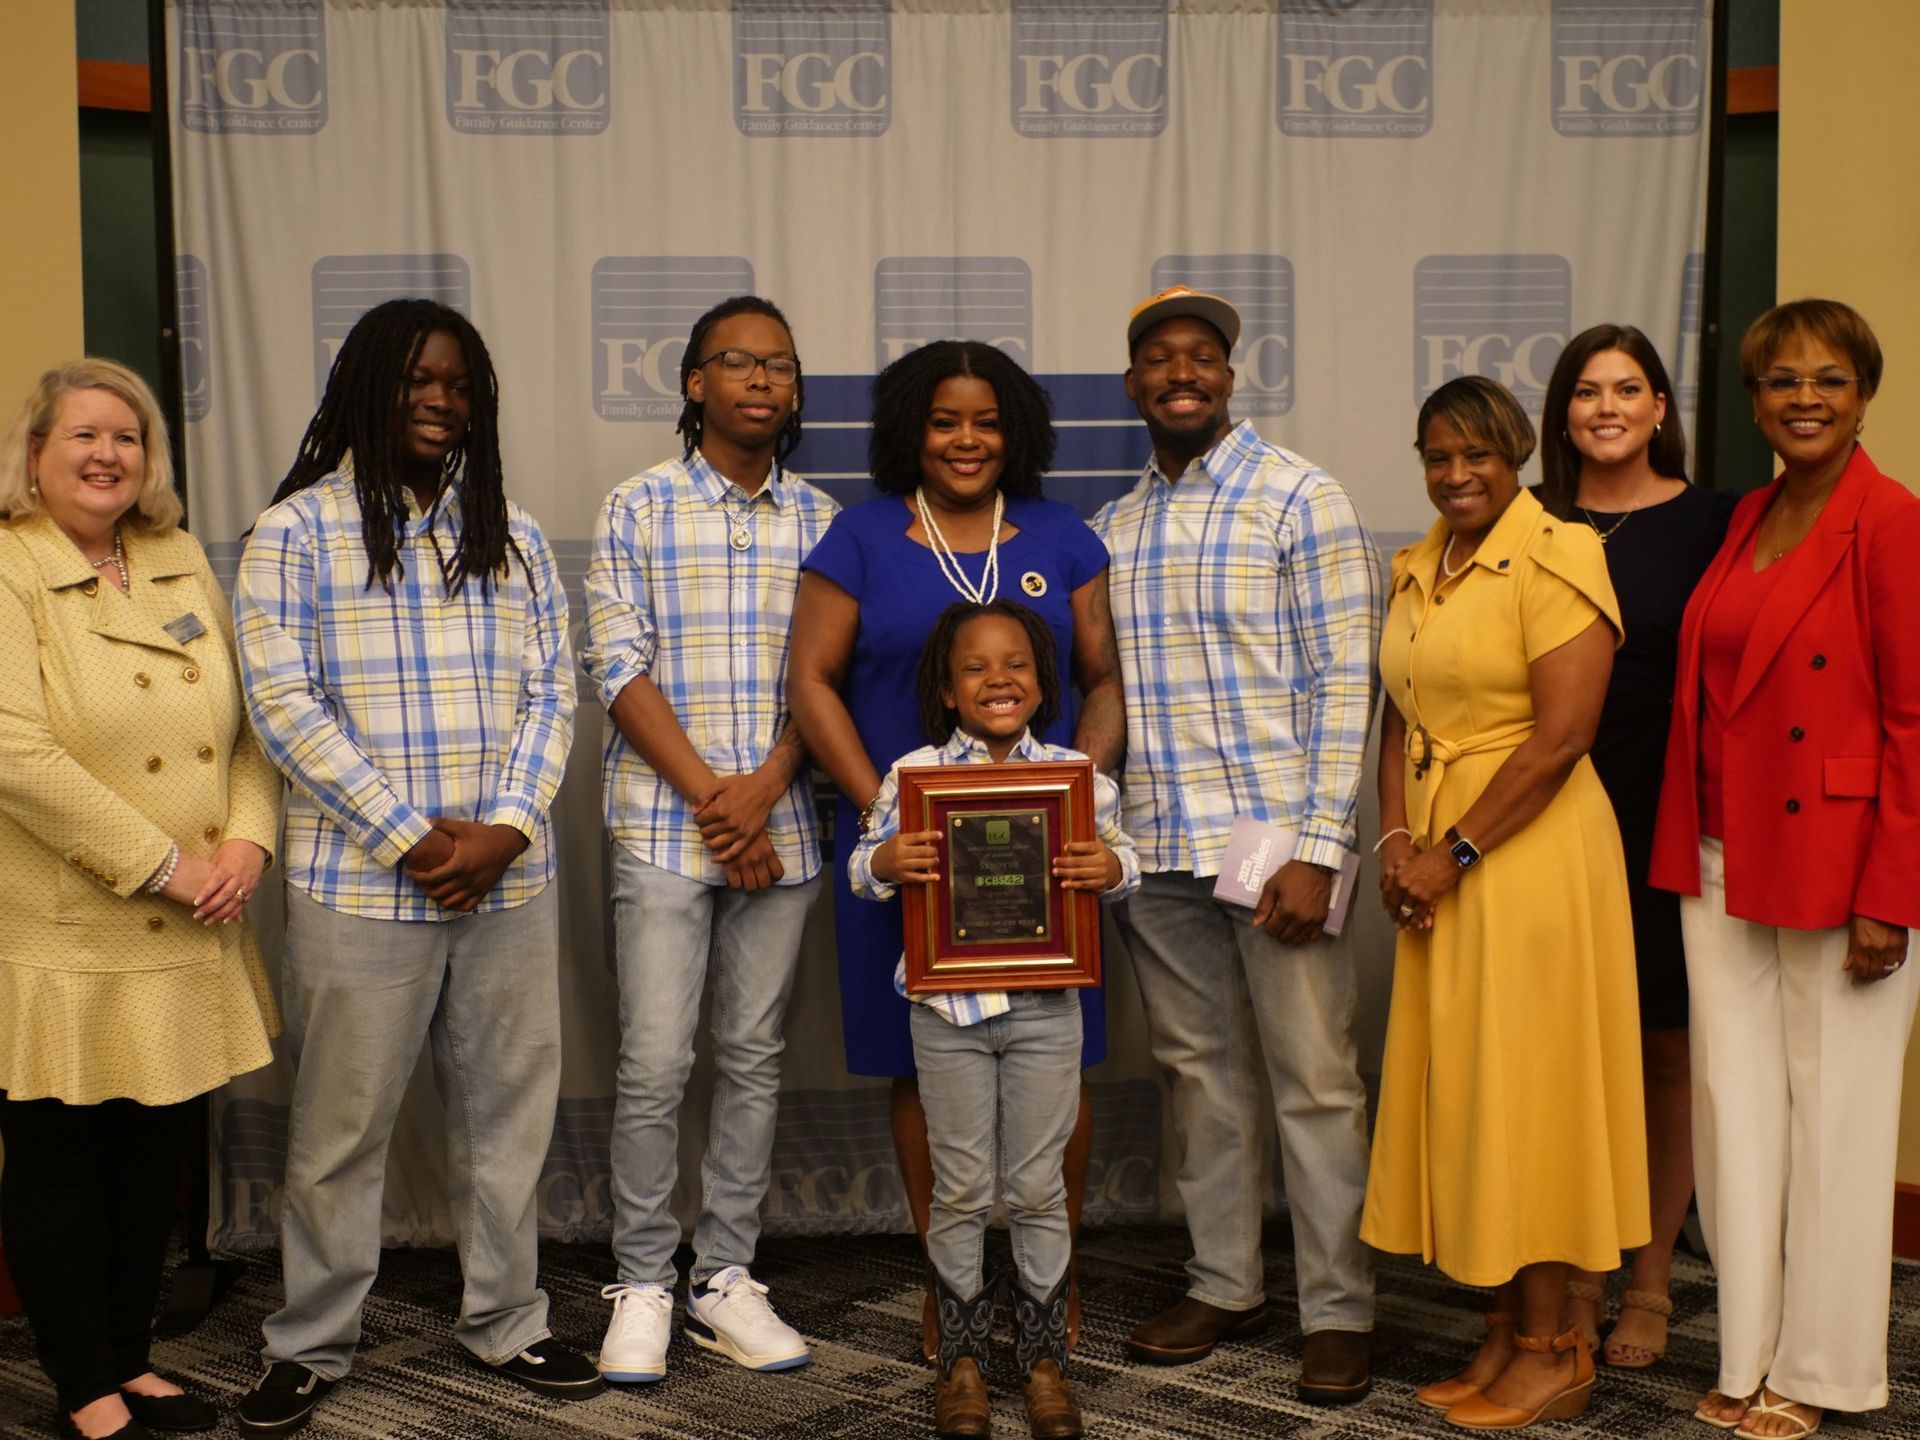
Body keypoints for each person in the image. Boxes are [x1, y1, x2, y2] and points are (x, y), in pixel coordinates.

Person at [232, 299, 592, 1436]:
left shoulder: (516, 536)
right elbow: (284, 710)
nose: (440, 401)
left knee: (506, 1122)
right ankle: (312, 1341)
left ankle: (508, 1321)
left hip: (508, 884)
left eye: (460, 384)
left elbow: (554, 694)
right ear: (367, 388)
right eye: (416, 380)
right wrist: (414, 840)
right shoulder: (294, 533)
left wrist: (506, 829)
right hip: (359, 889)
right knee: (340, 1134)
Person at [788, 340, 1123, 1355]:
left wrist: (1080, 801)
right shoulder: (859, 538)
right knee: (921, 1072)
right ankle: (954, 1287)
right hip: (907, 861)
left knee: (1057, 1070)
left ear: (1013, 430)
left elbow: (1103, 680)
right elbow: (812, 683)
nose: (967, 439)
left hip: (1043, 860)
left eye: (985, 420)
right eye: (944, 420)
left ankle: (1046, 1291)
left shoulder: (1065, 538)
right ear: (910, 433)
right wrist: (892, 814)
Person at [1093, 287, 1379, 1402]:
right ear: (1134, 385)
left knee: (1312, 1077)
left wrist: (1316, 846)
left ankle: (1340, 1307)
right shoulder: (1114, 527)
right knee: (1198, 1075)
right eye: (1160, 358)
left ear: (1229, 374)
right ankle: (1225, 1280)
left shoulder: (1296, 497)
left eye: (1202, 357)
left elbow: (1342, 681)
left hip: (1266, 837)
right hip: (1157, 842)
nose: (1182, 373)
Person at [1649, 299, 1920, 1439]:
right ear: (1753, 400)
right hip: (1721, 849)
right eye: (1780, 381)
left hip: (1842, 858)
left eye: (1828, 379)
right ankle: (1750, 1348)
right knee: (1735, 1109)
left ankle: (1824, 1369)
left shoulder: (1895, 522)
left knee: (1842, 1123)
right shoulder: (1747, 511)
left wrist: (1891, 895)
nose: (1803, 398)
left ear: (1865, 394)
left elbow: (1916, 717)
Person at [0, 359, 279, 1440]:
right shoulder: (13, 565)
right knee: (65, 1164)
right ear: (35, 454)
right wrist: (166, 863)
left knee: (150, 1156)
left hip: (196, 915)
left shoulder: (171, 558)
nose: (107, 453)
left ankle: (130, 1357)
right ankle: (81, 1384)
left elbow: (245, 731)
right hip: (66, 926)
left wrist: (248, 842)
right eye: (83, 436)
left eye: (127, 436)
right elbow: (14, 750)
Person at [1363, 374, 1649, 1431]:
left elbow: (1563, 736)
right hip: (1440, 849)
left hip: (1527, 855)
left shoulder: (1559, 551)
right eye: (1438, 454)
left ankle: (1555, 1345)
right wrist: (1398, 839)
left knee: (1529, 1093)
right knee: (1473, 1088)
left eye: (1477, 453)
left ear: (1519, 452)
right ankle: (1501, 1330)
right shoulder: (1418, 564)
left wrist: (1456, 851)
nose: (1456, 472)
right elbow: (1399, 717)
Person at [581, 296, 836, 1382]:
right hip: (664, 827)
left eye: (780, 365)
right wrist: (716, 804)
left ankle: (723, 1277)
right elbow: (617, 665)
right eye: (739, 362)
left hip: (784, 825)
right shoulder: (635, 507)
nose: (763, 380)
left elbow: (827, 683)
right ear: (695, 382)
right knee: (652, 1064)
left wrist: (768, 784)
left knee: (752, 1058)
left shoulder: (825, 521)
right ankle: (642, 1278)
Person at [851, 601, 1137, 1440]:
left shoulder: (1081, 779)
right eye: (974, 667)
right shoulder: (912, 777)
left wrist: (1107, 863)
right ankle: (963, 1364)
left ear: (1043, 683)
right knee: (963, 1187)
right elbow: (864, 876)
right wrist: (885, 857)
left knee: (1040, 1185)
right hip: (948, 1013)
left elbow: (1128, 873)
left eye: (1015, 664)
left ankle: (1044, 1363)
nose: (997, 679)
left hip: (1050, 1009)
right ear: (946, 690)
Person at [1538, 325, 1735, 1368]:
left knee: (1665, 1051)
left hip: (1665, 821)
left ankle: (1650, 1281)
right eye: (1585, 391)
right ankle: (1576, 1271)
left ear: (1662, 408)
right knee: (1565, 1056)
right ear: (1561, 415)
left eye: (1628, 389)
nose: (1605, 407)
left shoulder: (1718, 522)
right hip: (1543, 824)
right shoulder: (1528, 522)